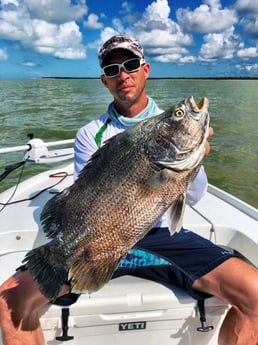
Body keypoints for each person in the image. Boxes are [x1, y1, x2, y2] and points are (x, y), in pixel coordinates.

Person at [0, 35, 258, 345]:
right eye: (112, 69)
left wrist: (194, 161)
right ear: (104, 81)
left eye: (131, 65)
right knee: (7, 301)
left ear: (145, 69)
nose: (123, 74)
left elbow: (193, 197)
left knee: (255, 294)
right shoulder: (90, 134)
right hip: (100, 238)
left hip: (163, 237)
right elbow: (86, 199)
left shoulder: (166, 129)